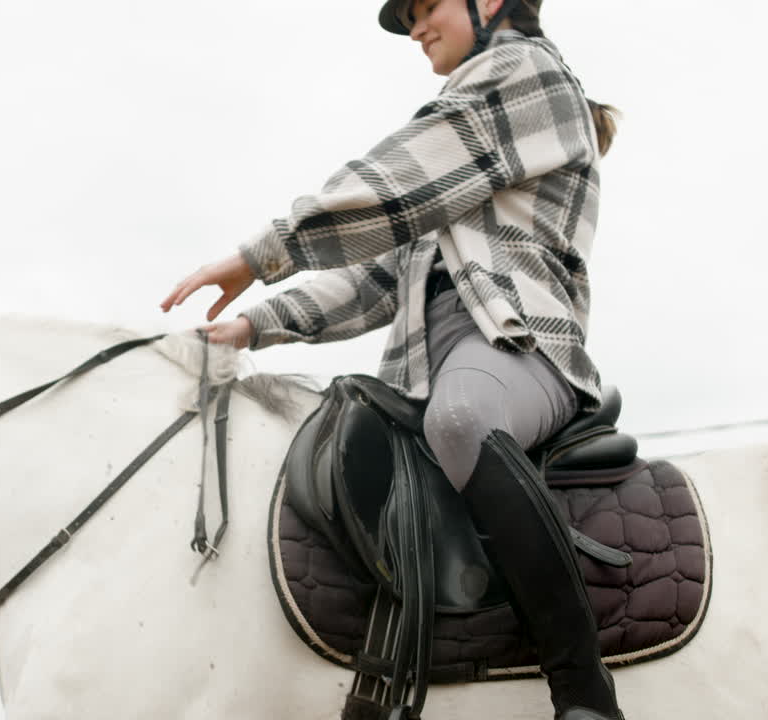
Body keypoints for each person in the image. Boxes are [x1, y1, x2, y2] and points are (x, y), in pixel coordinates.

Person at [160, 1, 623, 718]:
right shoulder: (465, 167)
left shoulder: (526, 71)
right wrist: (254, 324)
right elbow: (379, 279)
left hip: (520, 350)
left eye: (426, 5)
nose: (415, 28)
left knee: (462, 420)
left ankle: (584, 692)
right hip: (422, 371)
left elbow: (399, 176)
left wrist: (261, 256)